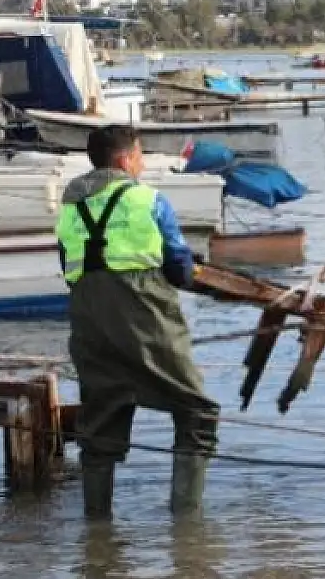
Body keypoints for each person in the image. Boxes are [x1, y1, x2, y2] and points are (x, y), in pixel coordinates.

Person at [55, 125, 220, 519]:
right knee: (196, 411)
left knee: (101, 420)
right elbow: (180, 268)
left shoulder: (70, 206)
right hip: (145, 315)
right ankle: (187, 528)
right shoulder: (148, 200)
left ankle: (97, 530)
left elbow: (67, 264)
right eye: (140, 155)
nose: (143, 163)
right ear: (124, 160)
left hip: (89, 323)